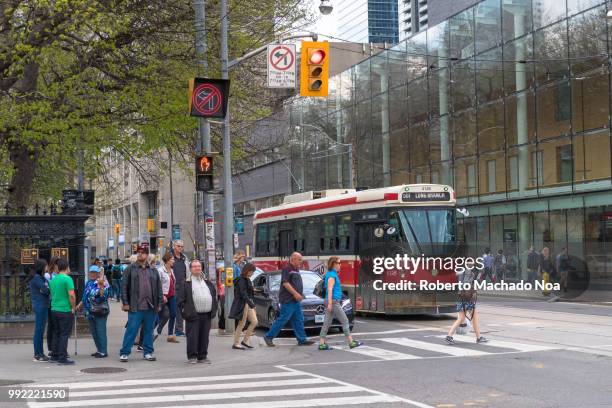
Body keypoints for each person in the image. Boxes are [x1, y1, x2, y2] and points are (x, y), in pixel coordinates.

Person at [119, 244, 163, 362]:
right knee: (131, 330)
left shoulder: (153, 270)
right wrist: (125, 302)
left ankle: (148, 352)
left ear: (147, 255)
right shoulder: (130, 269)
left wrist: (159, 304)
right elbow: (124, 287)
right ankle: (124, 352)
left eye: (142, 252)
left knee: (148, 331)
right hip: (135, 306)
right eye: (138, 252)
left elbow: (159, 288)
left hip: (150, 306)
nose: (140, 254)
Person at [263, 252, 314, 347]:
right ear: (293, 259)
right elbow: (285, 283)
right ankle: (268, 337)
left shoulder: (296, 270)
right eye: (299, 260)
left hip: (295, 300)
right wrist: (295, 293)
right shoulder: (287, 269)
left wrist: (300, 294)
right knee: (283, 319)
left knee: (298, 320)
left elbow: (295, 284)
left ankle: (302, 339)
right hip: (288, 300)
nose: (301, 262)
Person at [177, 259, 217, 364]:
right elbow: (180, 300)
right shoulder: (186, 283)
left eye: (199, 266)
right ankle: (192, 357)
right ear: (190, 269)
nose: (197, 268)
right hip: (193, 315)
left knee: (204, 337)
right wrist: (185, 312)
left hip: (207, 314)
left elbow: (213, 295)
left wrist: (214, 309)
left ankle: (202, 356)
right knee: (192, 337)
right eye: (194, 266)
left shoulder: (207, 282)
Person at [318, 257, 362, 351]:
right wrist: (330, 303)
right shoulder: (332, 276)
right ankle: (351, 342)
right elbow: (330, 290)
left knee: (327, 323)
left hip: (332, 301)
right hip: (333, 301)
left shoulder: (331, 274)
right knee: (345, 321)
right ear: (334, 264)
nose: (340, 264)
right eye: (339, 263)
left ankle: (321, 343)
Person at [446, 267, 488, 345]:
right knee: (474, 319)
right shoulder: (469, 273)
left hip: (461, 297)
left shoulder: (459, 272)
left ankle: (449, 336)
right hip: (468, 299)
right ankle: (479, 338)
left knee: (461, 318)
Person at [77, 265, 110, 358]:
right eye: (91, 272)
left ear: (99, 273)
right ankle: (99, 350)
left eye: (94, 272)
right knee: (94, 332)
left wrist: (101, 287)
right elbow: (85, 296)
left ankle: (103, 351)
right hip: (90, 311)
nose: (92, 274)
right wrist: (80, 304)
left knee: (100, 331)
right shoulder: (89, 282)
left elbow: (104, 296)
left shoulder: (103, 282)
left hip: (100, 311)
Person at [49, 259, 76, 365]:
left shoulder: (53, 280)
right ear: (67, 267)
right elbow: (71, 295)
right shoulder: (67, 279)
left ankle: (54, 355)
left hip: (54, 309)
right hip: (65, 309)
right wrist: (73, 307)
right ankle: (62, 357)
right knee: (64, 334)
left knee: (56, 333)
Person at [229, 263, 258, 350]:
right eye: (251, 272)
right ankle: (236, 343)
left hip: (248, 303)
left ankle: (245, 341)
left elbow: (248, 292)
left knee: (254, 321)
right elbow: (243, 294)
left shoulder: (247, 279)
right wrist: (252, 305)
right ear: (247, 270)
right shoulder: (241, 280)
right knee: (241, 324)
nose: (252, 273)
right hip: (243, 304)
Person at [29, 259, 50, 362]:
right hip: (40, 306)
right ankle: (38, 354)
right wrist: (47, 287)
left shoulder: (40, 277)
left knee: (40, 330)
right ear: (42, 267)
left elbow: (46, 289)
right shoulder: (37, 278)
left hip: (42, 305)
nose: (47, 268)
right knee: (39, 330)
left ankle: (40, 353)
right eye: (46, 266)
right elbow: (46, 290)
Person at [156, 252, 179, 343]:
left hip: (171, 295)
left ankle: (170, 335)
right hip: (163, 296)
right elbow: (157, 284)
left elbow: (173, 283)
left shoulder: (172, 270)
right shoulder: (160, 270)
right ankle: (154, 331)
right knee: (161, 315)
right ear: (167, 260)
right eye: (172, 259)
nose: (173, 261)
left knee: (173, 314)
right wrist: (161, 295)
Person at [171, 240, 189, 337]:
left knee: (180, 308)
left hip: (183, 286)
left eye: (182, 246)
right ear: (174, 246)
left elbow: (188, 271)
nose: (180, 248)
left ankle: (178, 330)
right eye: (178, 246)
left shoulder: (184, 258)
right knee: (167, 311)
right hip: (172, 287)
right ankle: (156, 328)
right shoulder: (170, 257)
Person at [45, 257, 60, 361]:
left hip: (58, 303)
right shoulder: (48, 275)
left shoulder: (60, 275)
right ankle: (51, 348)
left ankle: (58, 348)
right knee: (51, 326)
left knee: (58, 327)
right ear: (53, 265)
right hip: (51, 303)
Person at [216, 262, 226, 335]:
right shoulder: (221, 270)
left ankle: (222, 327)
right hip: (222, 293)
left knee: (224, 310)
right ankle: (221, 327)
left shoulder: (222, 270)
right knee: (223, 310)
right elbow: (220, 282)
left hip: (223, 293)